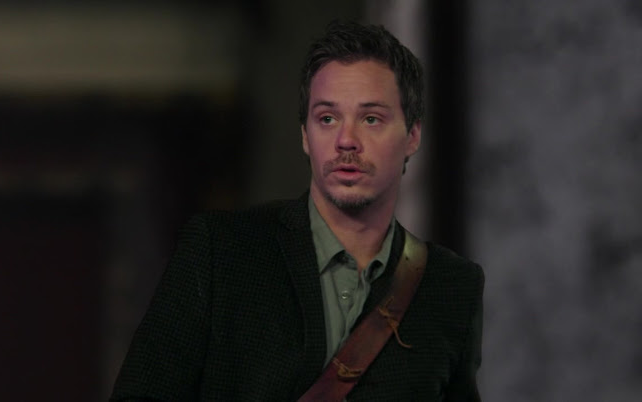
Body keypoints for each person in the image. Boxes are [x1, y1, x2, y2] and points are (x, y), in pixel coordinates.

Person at [110, 21, 483, 401]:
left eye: (371, 118)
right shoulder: (220, 253)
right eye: (327, 118)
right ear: (306, 135)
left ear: (413, 136)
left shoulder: (452, 286)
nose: (346, 140)